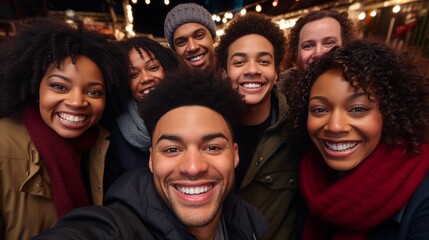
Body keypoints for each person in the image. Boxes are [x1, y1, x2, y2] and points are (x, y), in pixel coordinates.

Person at [33, 68, 268, 240]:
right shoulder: (117, 227)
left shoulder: (250, 223)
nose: (193, 167)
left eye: (212, 147)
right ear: (151, 160)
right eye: (172, 149)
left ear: (235, 155)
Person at [285, 40, 429, 239]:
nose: (335, 126)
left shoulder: (422, 195)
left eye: (358, 109)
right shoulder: (309, 175)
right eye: (319, 109)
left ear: (390, 112)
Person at [0, 18, 130, 239]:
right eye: (59, 86)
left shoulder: (100, 144)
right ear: (34, 87)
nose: (77, 101)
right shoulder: (3, 146)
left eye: (94, 92)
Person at [216, 12, 300, 240]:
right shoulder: (209, 128)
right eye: (239, 62)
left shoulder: (298, 129)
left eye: (263, 61)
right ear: (225, 73)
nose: (252, 70)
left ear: (276, 73)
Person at [101, 36, 178, 190]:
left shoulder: (193, 111)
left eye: (153, 68)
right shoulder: (113, 132)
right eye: (133, 75)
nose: (146, 78)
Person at [277, 10, 355, 93]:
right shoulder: (278, 100)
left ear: (346, 46)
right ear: (296, 54)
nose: (318, 53)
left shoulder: (365, 90)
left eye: (328, 43)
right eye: (308, 46)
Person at [164, 3, 217, 70]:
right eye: (181, 42)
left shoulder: (232, 73)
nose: (192, 47)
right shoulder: (170, 79)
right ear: (175, 51)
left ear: (214, 38)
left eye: (199, 36)